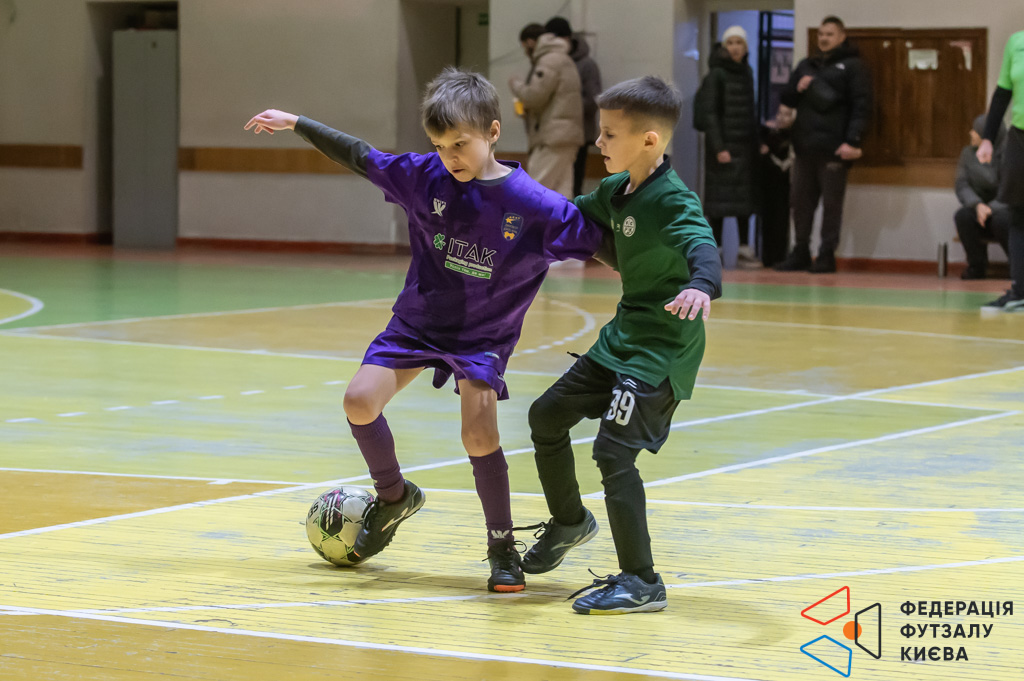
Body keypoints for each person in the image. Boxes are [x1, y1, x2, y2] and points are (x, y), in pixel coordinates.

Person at [244, 68, 609, 592]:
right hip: (418, 322)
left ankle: (501, 546)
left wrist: (679, 280)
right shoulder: (423, 176)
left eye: (460, 144)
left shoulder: (534, 205)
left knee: (478, 433)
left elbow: (600, 242)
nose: (450, 156)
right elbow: (360, 155)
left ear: (493, 132)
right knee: (358, 401)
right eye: (439, 145)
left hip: (483, 336)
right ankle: (394, 497)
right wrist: (297, 122)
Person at [519, 76, 723, 614]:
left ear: (649, 140)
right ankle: (569, 522)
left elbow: (702, 244)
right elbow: (568, 214)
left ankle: (642, 580)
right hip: (622, 338)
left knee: (613, 452)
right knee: (546, 416)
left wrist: (702, 285)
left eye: (609, 134)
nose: (599, 142)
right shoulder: (614, 191)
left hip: (661, 351)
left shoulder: (674, 200)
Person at [774, 16, 871, 273]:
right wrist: (798, 87)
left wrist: (852, 140)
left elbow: (862, 106)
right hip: (804, 147)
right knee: (800, 204)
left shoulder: (853, 67)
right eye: (821, 34)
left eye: (829, 34)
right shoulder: (807, 65)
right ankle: (800, 251)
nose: (824, 39)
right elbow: (787, 99)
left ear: (841, 36)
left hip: (834, 148)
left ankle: (827, 255)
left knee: (831, 206)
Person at [697, 27, 760, 268]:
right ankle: (716, 251)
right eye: (730, 43)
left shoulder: (747, 72)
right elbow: (710, 114)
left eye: (739, 43)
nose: (734, 47)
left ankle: (744, 250)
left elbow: (750, 111)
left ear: (746, 47)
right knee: (718, 203)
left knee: (745, 201)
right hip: (722, 149)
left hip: (744, 148)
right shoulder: (716, 74)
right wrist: (718, 147)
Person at [977, 30, 1024, 311]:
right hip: (1020, 137)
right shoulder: (1016, 42)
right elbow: (1003, 93)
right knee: (1018, 214)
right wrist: (988, 139)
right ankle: (1020, 290)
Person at [509, 26, 585, 199]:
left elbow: (534, 97)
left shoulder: (549, 60)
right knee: (562, 194)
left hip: (553, 138)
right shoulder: (563, 58)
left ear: (530, 42)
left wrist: (516, 85)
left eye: (524, 46)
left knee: (534, 191)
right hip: (566, 136)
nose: (525, 52)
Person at [544, 16, 603, 198]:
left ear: (567, 38)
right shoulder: (551, 62)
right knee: (555, 183)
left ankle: (573, 213)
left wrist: (563, 107)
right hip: (554, 132)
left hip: (579, 132)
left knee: (573, 184)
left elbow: (594, 100)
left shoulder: (586, 65)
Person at [955, 115, 1009, 280]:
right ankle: (976, 266)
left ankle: (1017, 268)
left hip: (1003, 207)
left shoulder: (1009, 155)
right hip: (978, 208)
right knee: (963, 217)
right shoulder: (967, 154)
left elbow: (1010, 188)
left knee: (1003, 220)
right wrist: (978, 205)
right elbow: (962, 185)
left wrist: (991, 208)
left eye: (976, 131)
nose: (971, 133)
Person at [758, 105, 796, 267]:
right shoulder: (768, 135)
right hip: (768, 187)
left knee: (783, 221)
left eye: (787, 114)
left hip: (787, 187)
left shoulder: (795, 138)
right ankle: (767, 257)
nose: (781, 117)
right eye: (779, 113)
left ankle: (782, 256)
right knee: (768, 221)